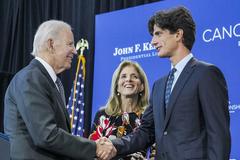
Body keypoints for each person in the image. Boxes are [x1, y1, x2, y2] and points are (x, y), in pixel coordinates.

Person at [101, 6, 231, 160]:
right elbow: (146, 132)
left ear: (178, 34)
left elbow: (218, 135)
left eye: (158, 34)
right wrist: (114, 145)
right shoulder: (159, 85)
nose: (153, 42)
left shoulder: (206, 74)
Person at [4, 20, 115, 160]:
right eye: (70, 44)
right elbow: (46, 135)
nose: (75, 50)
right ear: (51, 45)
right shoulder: (30, 78)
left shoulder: (53, 82)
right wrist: (95, 147)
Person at [90, 60, 153, 160]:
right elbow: (92, 149)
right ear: (117, 87)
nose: (129, 79)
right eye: (123, 76)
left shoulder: (149, 116)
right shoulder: (102, 115)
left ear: (142, 86)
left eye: (134, 76)